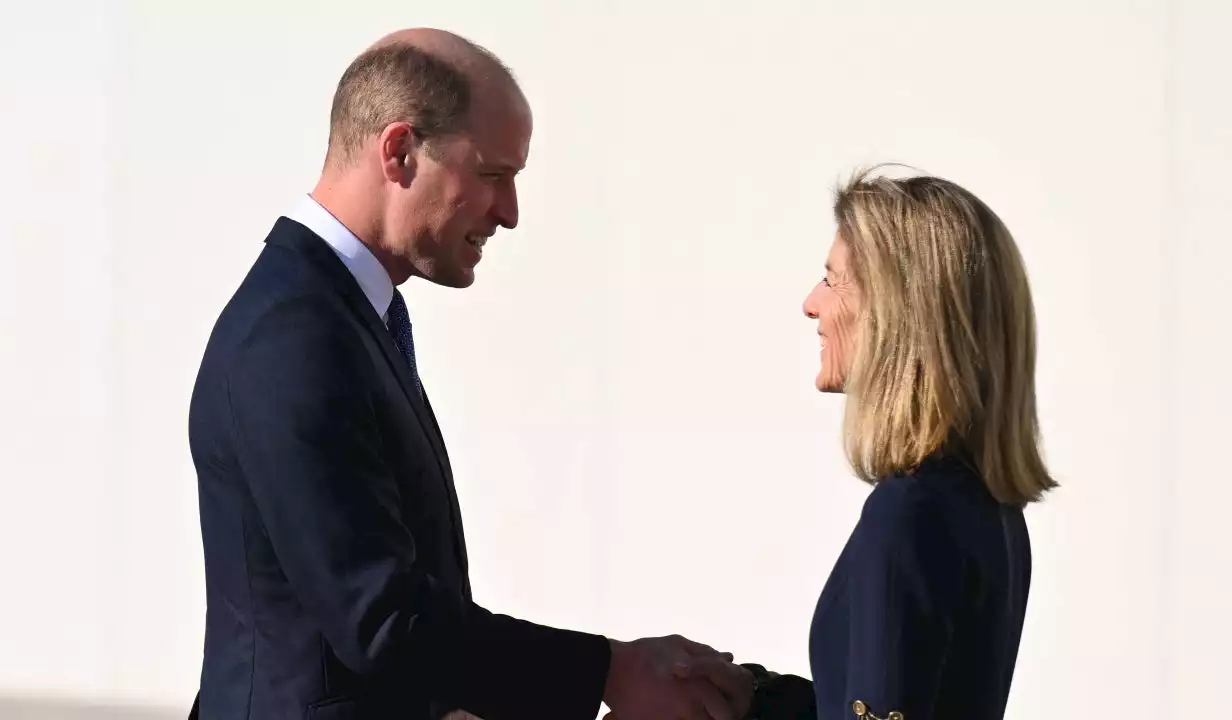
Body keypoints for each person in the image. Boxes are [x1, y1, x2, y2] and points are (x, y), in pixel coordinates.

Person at [185, 28, 751, 720]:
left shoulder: (343, 318)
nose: (509, 213)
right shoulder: (295, 335)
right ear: (399, 152)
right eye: (492, 176)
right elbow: (380, 619)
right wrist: (607, 671)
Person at [737, 168, 1058, 720]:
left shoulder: (910, 514)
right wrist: (749, 699)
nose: (811, 304)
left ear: (896, 310)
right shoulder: (987, 508)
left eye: (833, 280)